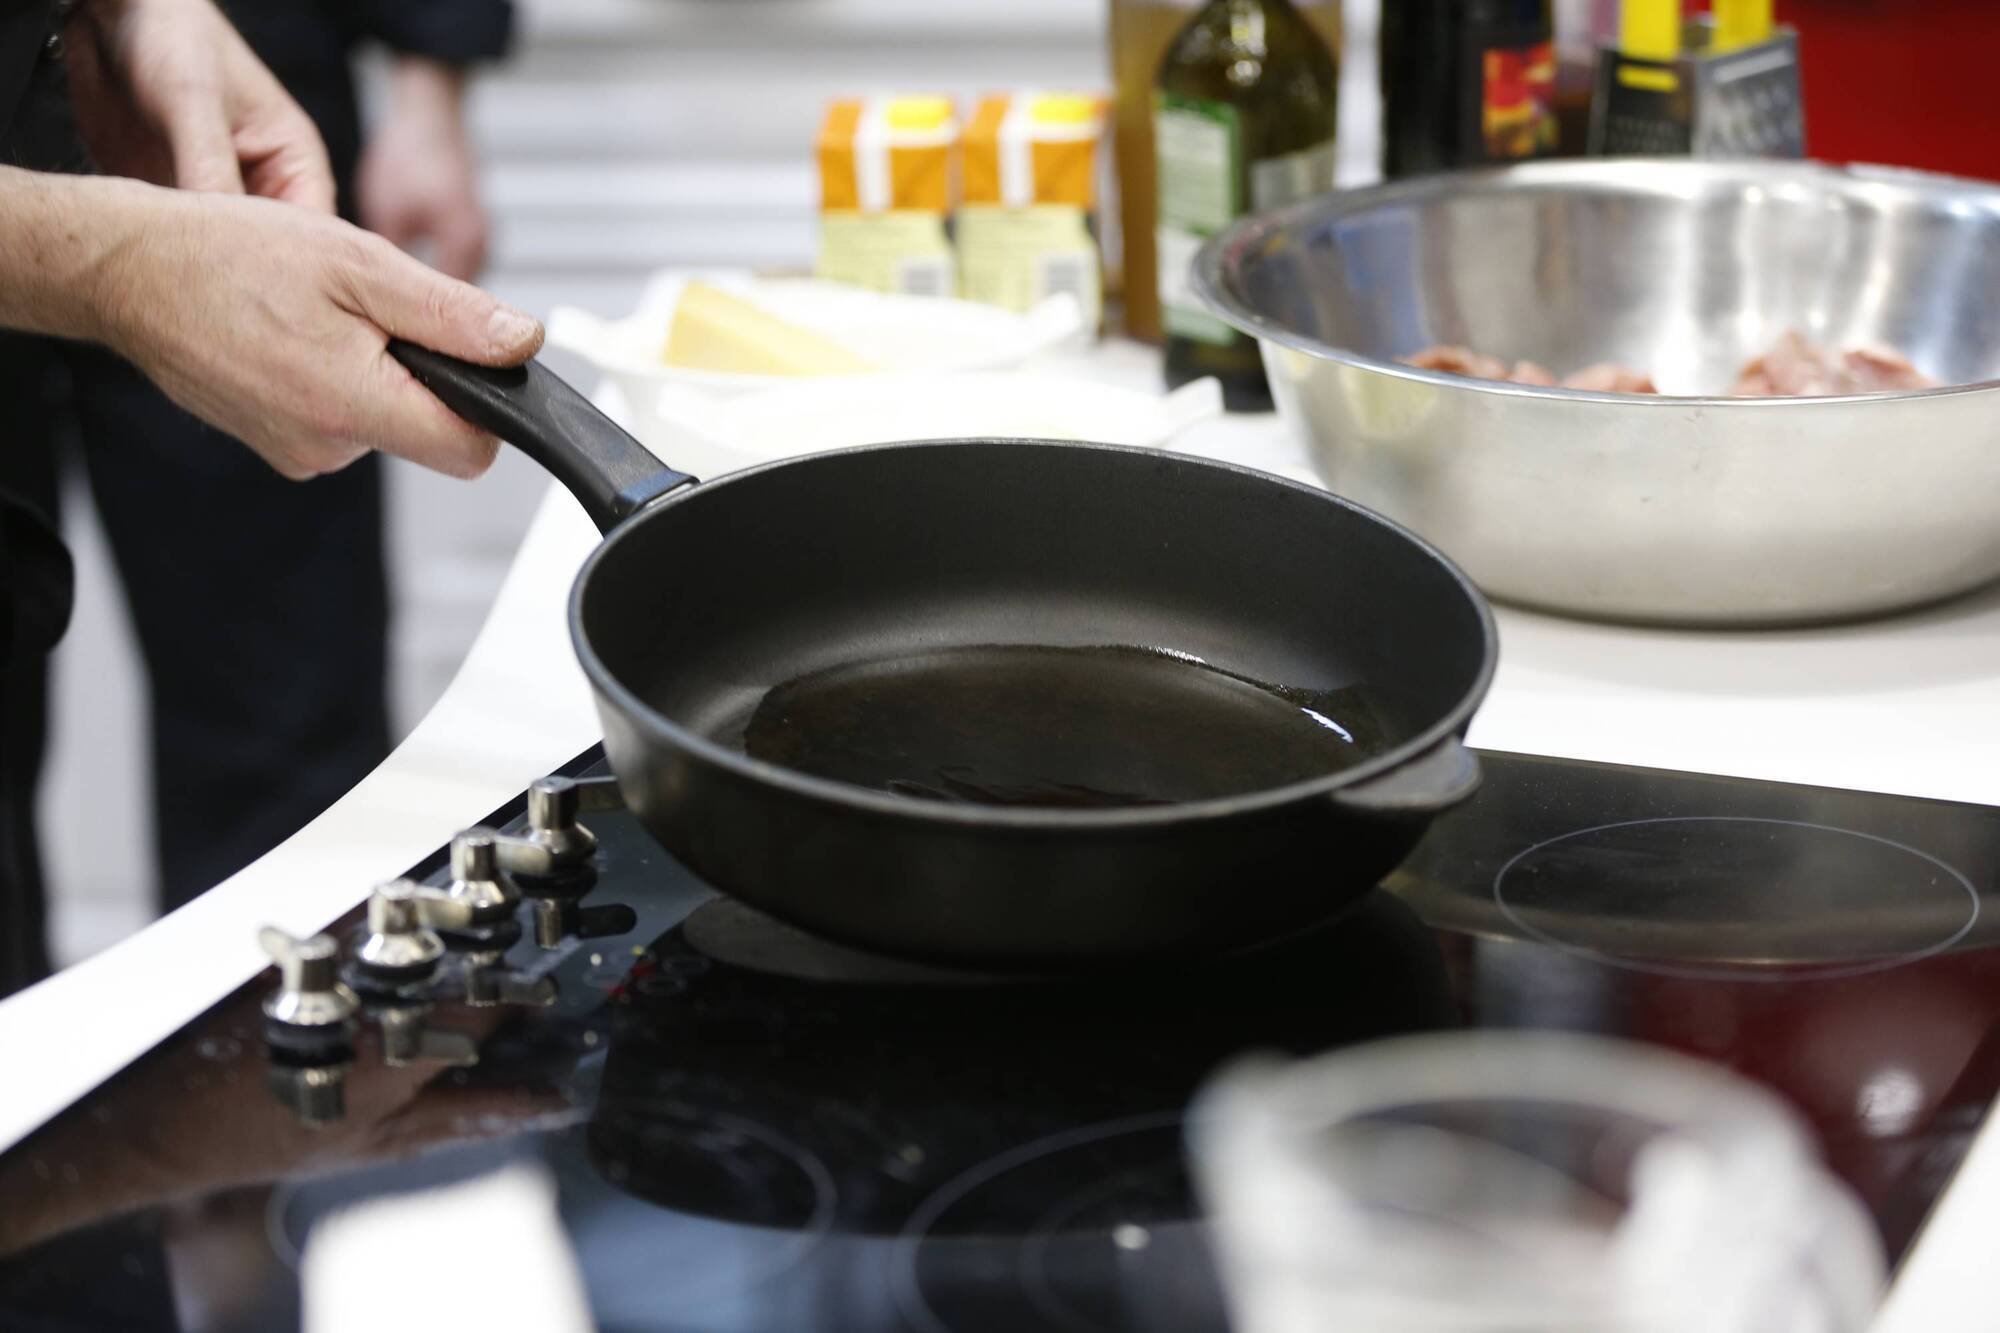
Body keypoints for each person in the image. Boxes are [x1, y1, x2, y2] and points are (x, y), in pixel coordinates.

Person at [0, 0, 541, 997]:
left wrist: (429, 83)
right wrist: (107, 260)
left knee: (286, 746)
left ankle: (297, 1065)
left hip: (224, 54)